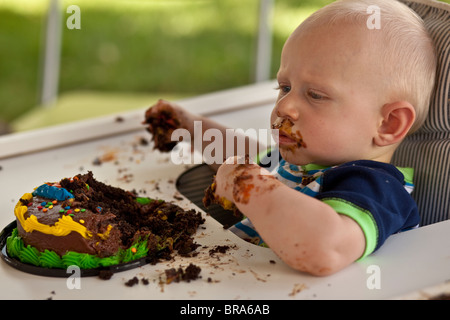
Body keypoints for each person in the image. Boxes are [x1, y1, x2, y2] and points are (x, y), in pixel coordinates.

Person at [144, 0, 437, 276]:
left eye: (315, 94)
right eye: (284, 87)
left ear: (388, 123)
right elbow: (242, 155)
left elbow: (323, 248)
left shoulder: (375, 189)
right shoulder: (302, 163)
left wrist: (244, 184)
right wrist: (191, 127)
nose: (283, 107)